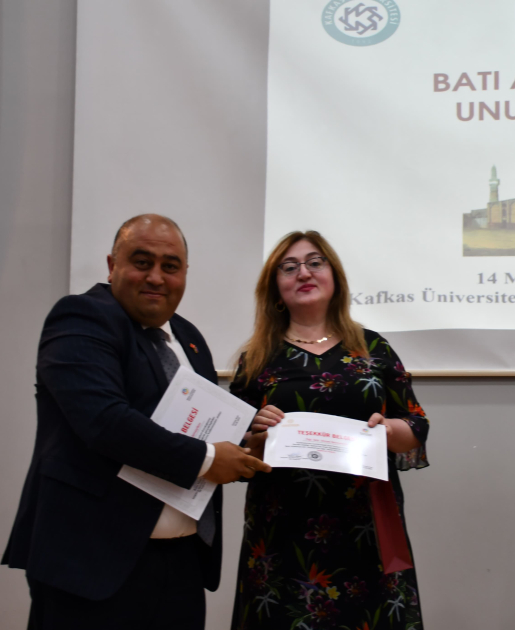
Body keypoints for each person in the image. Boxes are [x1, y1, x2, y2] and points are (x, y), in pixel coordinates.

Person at [3, 214, 269, 630]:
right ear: (112, 266)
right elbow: (105, 421)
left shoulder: (189, 337)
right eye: (142, 262)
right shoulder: (80, 318)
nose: (156, 277)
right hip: (90, 566)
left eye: (170, 266)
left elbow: (204, 428)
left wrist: (247, 444)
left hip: (181, 566)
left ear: (185, 273)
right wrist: (206, 459)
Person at [229, 230, 429, 629]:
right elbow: (235, 449)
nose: (303, 272)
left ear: (334, 276)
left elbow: (415, 425)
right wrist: (256, 438)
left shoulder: (375, 348)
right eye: (289, 267)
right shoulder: (257, 359)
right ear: (275, 289)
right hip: (283, 533)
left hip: (366, 527)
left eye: (315, 263)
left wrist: (389, 430)